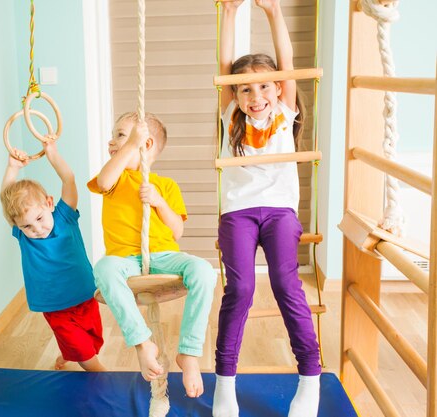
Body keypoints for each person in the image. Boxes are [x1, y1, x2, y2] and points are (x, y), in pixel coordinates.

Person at [213, 1, 321, 416]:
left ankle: (308, 380)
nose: (255, 96)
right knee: (240, 289)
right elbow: (225, 64)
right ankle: (226, 384)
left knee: (285, 283)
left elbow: (287, 61)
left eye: (263, 87)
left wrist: (274, 12)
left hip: (279, 210)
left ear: (278, 88)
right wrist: (229, 13)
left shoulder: (284, 110)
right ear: (234, 94)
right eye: (244, 89)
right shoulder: (230, 115)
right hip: (238, 212)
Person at [88, 112, 217, 398]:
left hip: (163, 255)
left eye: (120, 135)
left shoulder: (166, 185)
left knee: (204, 270)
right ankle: (143, 343)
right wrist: (129, 145)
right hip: (124, 258)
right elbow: (104, 180)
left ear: (146, 145)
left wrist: (159, 202)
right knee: (104, 269)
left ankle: (190, 353)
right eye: (115, 135)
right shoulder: (115, 178)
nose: (112, 140)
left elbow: (177, 231)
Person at [0, 140, 106, 372]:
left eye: (38, 219)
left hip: (85, 296)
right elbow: (6, 201)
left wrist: (52, 153)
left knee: (93, 340)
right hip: (55, 307)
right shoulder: (24, 236)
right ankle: (102, 375)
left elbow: (68, 179)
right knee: (85, 353)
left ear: (49, 203)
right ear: (18, 226)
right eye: (26, 226)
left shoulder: (65, 217)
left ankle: (67, 355)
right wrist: (13, 168)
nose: (36, 229)